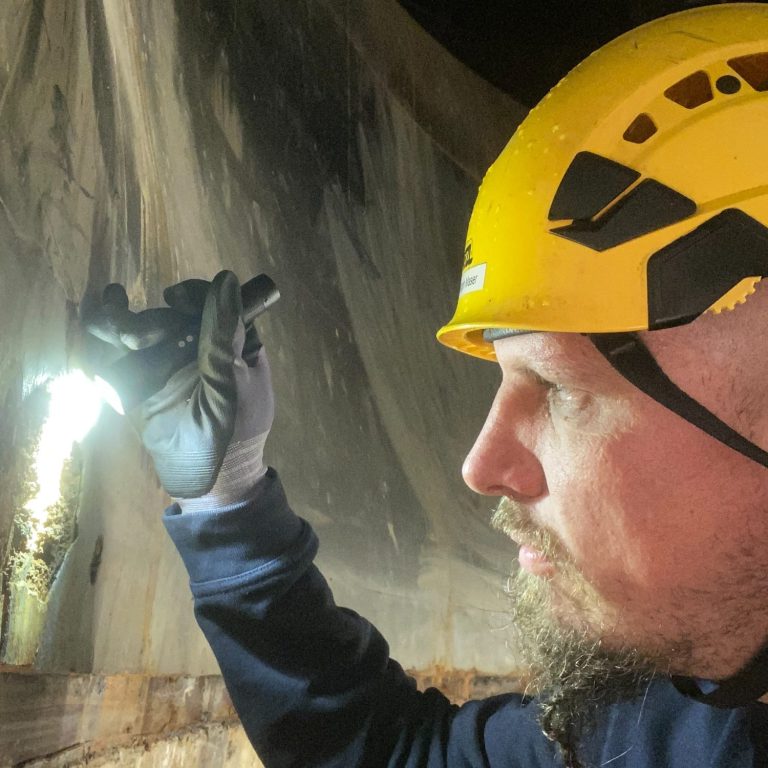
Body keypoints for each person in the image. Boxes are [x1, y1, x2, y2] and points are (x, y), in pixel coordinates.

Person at [87, 5, 768, 767]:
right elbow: (389, 753)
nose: (481, 467)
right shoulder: (662, 726)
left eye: (559, 388)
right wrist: (229, 498)